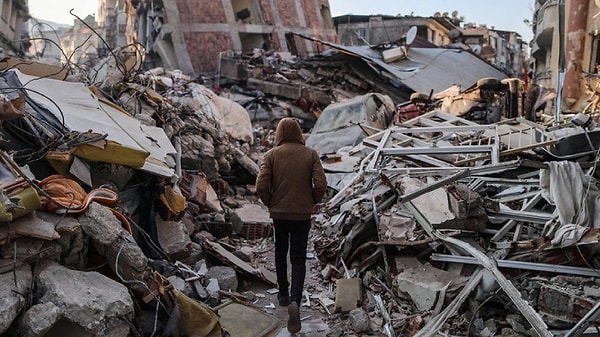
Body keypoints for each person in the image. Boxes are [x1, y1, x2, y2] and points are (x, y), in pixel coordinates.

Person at [256, 117, 327, 333]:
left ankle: (283, 295)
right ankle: (296, 298)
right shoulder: (311, 154)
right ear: (298, 132)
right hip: (302, 215)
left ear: (278, 133)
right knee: (298, 258)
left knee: (280, 253)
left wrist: (270, 202)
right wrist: (312, 200)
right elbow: (321, 183)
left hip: (280, 215)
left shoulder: (271, 155)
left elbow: (261, 185)